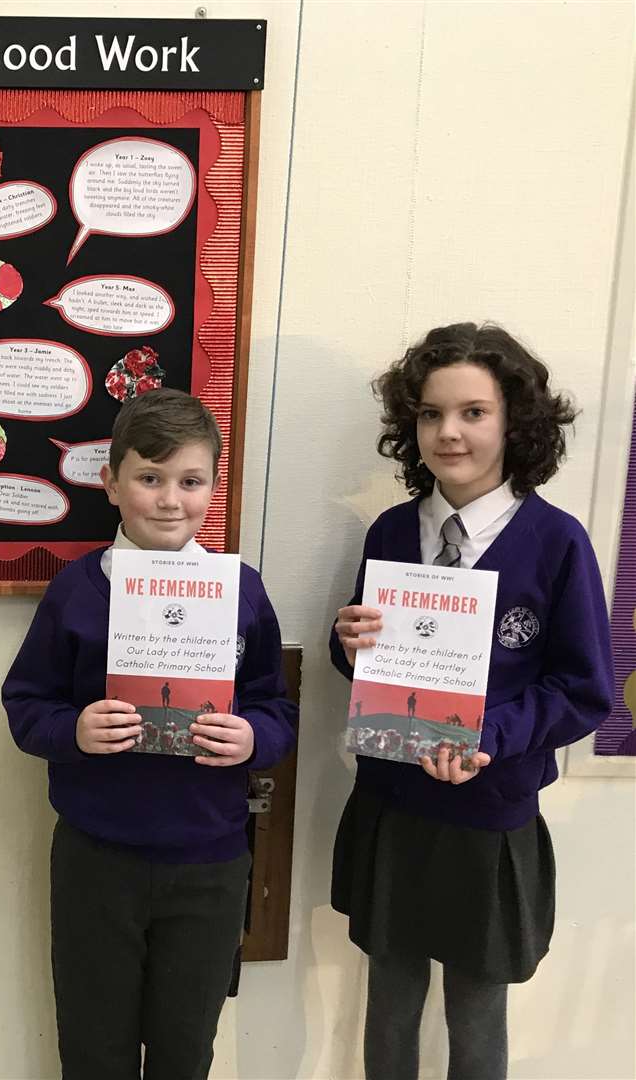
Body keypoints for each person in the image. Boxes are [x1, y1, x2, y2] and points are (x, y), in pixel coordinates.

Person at [330, 323, 612, 1080]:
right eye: (429, 413)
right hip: (394, 801)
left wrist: (493, 735)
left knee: (478, 1009)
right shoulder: (392, 533)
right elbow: (362, 660)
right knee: (388, 996)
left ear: (515, 423)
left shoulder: (557, 543)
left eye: (472, 413)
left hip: (488, 812)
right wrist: (345, 640)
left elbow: (584, 690)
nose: (447, 432)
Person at [3, 388, 296, 1079]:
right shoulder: (76, 591)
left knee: (185, 1052)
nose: (170, 500)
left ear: (213, 488)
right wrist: (73, 727)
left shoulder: (242, 592)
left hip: (209, 865)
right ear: (111, 482)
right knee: (93, 1050)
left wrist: (253, 739)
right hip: (96, 863)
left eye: (190, 482)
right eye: (150, 478)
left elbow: (276, 710)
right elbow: (24, 706)